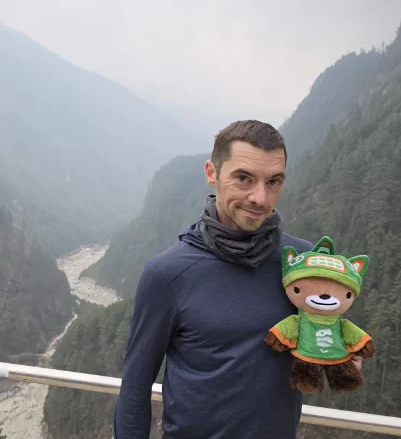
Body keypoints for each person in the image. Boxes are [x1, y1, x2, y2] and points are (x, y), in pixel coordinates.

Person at [113, 120, 359, 438]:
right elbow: (135, 386)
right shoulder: (168, 274)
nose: (260, 198)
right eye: (244, 178)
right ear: (212, 173)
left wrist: (340, 355)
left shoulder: (302, 263)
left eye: (274, 182)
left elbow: (322, 331)